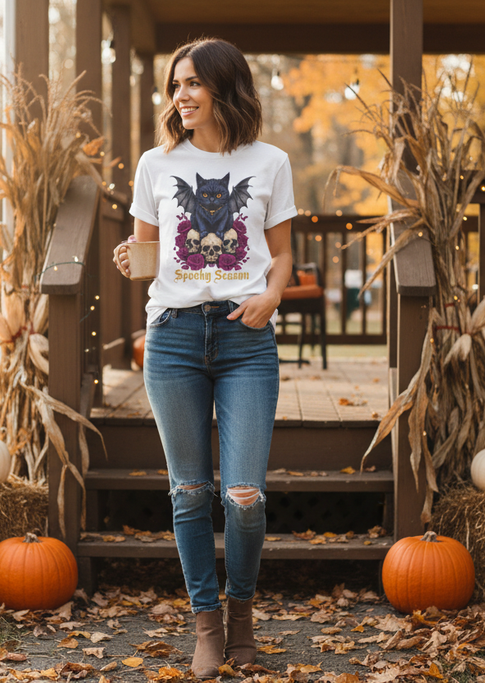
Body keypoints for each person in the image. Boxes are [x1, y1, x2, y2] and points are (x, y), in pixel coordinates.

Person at [112, 37, 295, 679]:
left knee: (243, 495)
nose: (181, 97)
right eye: (175, 86)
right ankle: (208, 628)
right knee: (190, 493)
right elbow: (148, 254)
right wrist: (133, 262)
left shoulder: (270, 162)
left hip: (247, 340)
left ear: (224, 87)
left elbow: (282, 255)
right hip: (175, 338)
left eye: (192, 84)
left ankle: (242, 611)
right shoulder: (156, 164)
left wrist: (272, 295)